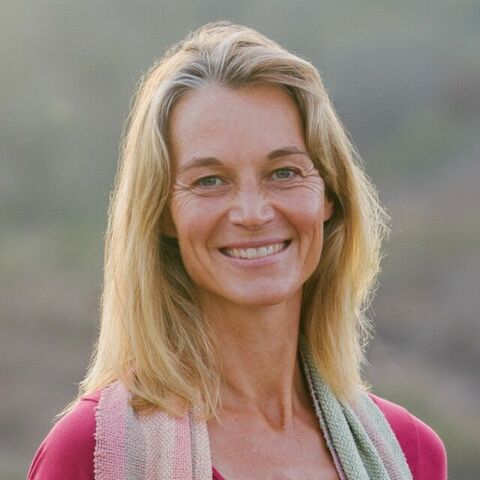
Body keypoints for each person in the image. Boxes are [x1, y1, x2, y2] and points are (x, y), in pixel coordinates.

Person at [28, 21, 447, 480]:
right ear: (163, 214)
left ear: (329, 194)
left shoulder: (412, 453)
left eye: (284, 172)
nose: (252, 213)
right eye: (210, 181)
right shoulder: (91, 454)